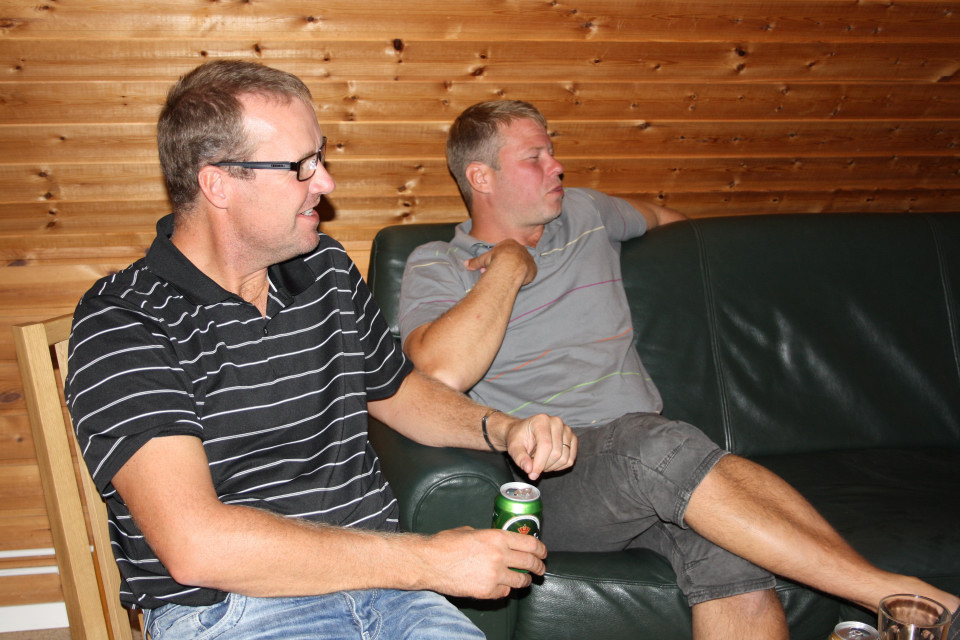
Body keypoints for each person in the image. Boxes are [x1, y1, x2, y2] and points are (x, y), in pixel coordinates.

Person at [397, 99, 960, 640]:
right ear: (482, 177)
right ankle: (905, 600)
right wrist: (509, 266)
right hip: (553, 476)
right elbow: (441, 371)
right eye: (535, 157)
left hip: (651, 462)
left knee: (734, 559)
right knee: (655, 445)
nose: (557, 165)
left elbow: (672, 223)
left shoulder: (587, 212)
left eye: (553, 151)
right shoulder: (438, 263)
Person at [64, 62, 578, 640]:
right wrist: (429, 560)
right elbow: (195, 545)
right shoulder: (126, 319)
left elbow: (398, 392)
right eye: (301, 166)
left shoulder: (324, 268)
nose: (326, 182)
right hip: (232, 611)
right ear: (218, 185)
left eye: (322, 156)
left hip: (389, 596)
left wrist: (503, 429)